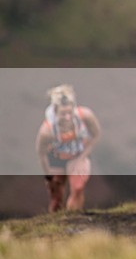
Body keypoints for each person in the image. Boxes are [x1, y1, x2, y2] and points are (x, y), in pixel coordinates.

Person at [35, 84, 101, 212]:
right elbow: (41, 152)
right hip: (56, 158)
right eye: (63, 113)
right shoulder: (47, 131)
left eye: (70, 112)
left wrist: (81, 158)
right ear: (55, 111)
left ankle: (72, 218)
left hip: (78, 154)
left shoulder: (85, 116)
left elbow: (96, 135)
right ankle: (55, 224)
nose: (67, 117)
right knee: (56, 196)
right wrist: (48, 175)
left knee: (78, 188)